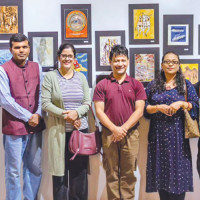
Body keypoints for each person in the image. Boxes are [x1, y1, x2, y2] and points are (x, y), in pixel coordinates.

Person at [93, 45, 146, 199]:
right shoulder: (102, 85)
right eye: (116, 60)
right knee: (112, 173)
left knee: (129, 174)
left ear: (128, 61)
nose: (120, 63)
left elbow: (139, 110)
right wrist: (114, 129)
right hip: (109, 135)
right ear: (110, 62)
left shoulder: (136, 85)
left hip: (131, 134)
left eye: (123, 60)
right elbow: (99, 111)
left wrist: (122, 129)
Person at [145, 51, 199, 200]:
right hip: (158, 137)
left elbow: (196, 106)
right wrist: (158, 107)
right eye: (167, 61)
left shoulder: (186, 84)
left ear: (179, 65)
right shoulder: (153, 85)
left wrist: (181, 103)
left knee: (179, 179)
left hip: (179, 137)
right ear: (162, 65)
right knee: (162, 179)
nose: (170, 64)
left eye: (174, 62)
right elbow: (145, 107)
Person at [42, 43, 91, 200]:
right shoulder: (50, 77)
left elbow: (87, 102)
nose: (67, 58)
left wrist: (76, 113)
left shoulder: (81, 77)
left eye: (70, 56)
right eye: (64, 55)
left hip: (79, 132)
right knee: (60, 173)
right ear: (58, 57)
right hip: (58, 132)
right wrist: (67, 115)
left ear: (74, 59)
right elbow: (45, 104)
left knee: (79, 173)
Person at [0, 33, 44, 200]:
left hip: (36, 126)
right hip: (14, 128)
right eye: (17, 47)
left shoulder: (37, 67)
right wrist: (28, 117)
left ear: (29, 48)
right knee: (13, 171)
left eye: (24, 47)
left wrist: (38, 114)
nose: (21, 50)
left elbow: (41, 94)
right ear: (11, 49)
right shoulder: (3, 70)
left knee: (35, 167)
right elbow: (5, 100)